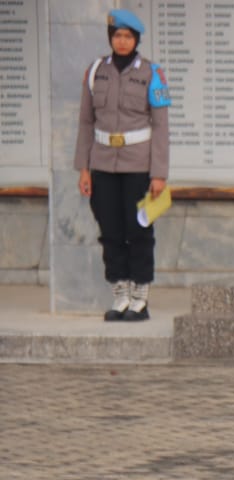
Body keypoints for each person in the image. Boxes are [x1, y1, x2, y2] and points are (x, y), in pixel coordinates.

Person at [74, 9, 170, 322]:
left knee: (140, 230)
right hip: (102, 164)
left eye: (128, 36)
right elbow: (86, 122)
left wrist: (159, 174)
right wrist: (84, 168)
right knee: (111, 232)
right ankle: (120, 295)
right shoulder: (95, 71)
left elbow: (161, 127)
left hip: (139, 166)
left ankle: (140, 296)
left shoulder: (153, 73)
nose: (122, 41)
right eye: (117, 35)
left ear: (137, 39)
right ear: (111, 38)